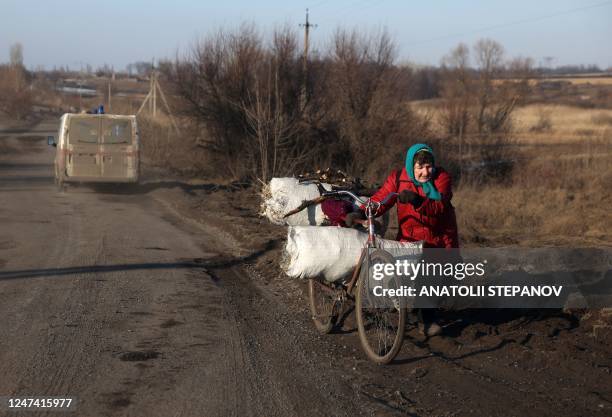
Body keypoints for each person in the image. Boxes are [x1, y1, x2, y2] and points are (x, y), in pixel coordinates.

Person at [350, 143, 460, 336]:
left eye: (429, 167)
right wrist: (360, 211)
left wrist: (417, 200)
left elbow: (439, 208)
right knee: (409, 274)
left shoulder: (442, 178)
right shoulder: (398, 178)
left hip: (439, 237)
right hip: (410, 236)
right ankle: (414, 313)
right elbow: (381, 199)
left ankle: (427, 319)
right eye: (420, 167)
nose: (426, 172)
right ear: (411, 166)